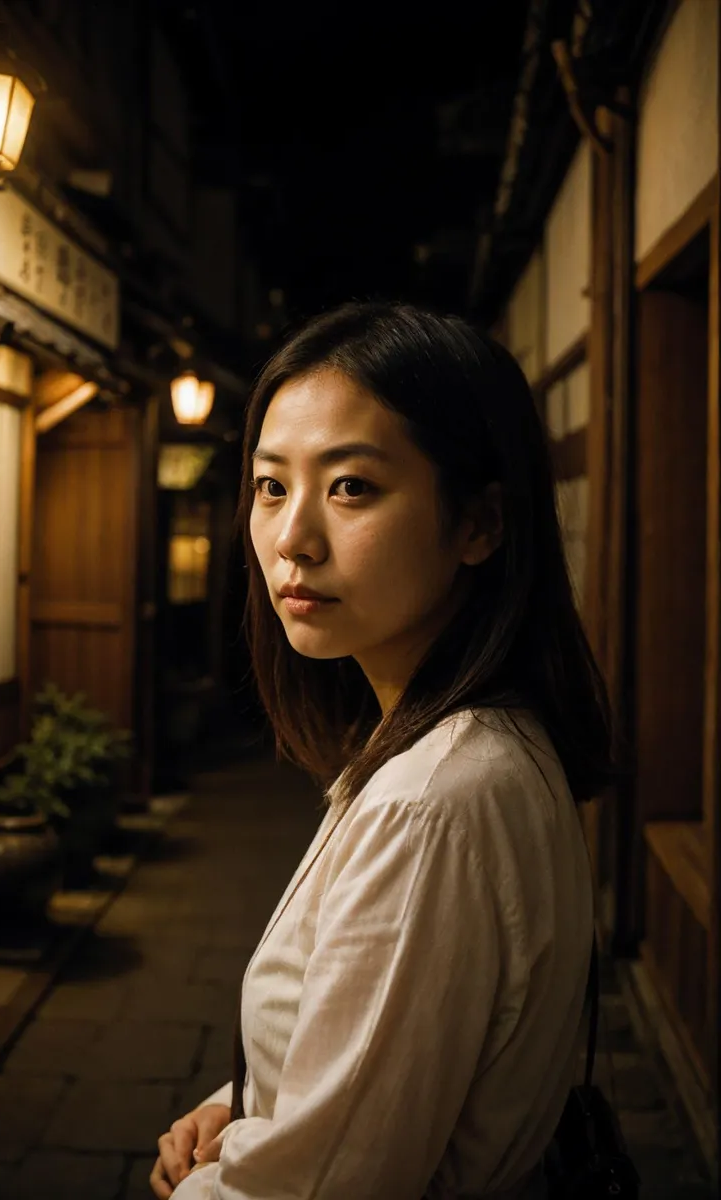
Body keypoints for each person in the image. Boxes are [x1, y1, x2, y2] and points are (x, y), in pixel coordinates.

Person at [150, 302, 614, 1199]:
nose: (292, 540)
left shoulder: (430, 802)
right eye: (272, 485)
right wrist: (247, 1109)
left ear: (479, 523)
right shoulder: (472, 737)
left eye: (351, 486)